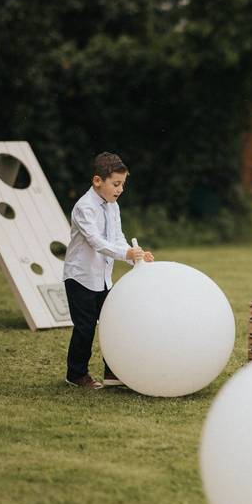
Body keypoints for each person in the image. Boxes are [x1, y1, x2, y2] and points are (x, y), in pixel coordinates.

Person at [62, 152, 154, 389]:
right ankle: (76, 374)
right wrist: (125, 254)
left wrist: (136, 257)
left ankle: (113, 373)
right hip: (80, 277)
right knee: (85, 327)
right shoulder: (84, 207)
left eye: (123, 184)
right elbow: (97, 242)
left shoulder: (113, 206)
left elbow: (117, 238)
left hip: (103, 279)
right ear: (97, 181)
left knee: (113, 323)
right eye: (116, 184)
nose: (120, 189)